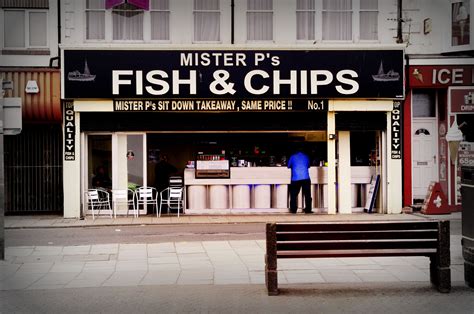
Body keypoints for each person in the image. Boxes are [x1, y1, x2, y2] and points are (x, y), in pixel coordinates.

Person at [287, 147, 313, 214]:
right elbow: (308, 166)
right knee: (307, 194)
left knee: (293, 194)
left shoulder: (292, 156)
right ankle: (308, 209)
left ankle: (293, 209)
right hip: (305, 177)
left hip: (295, 178)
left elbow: (288, 166)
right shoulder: (306, 156)